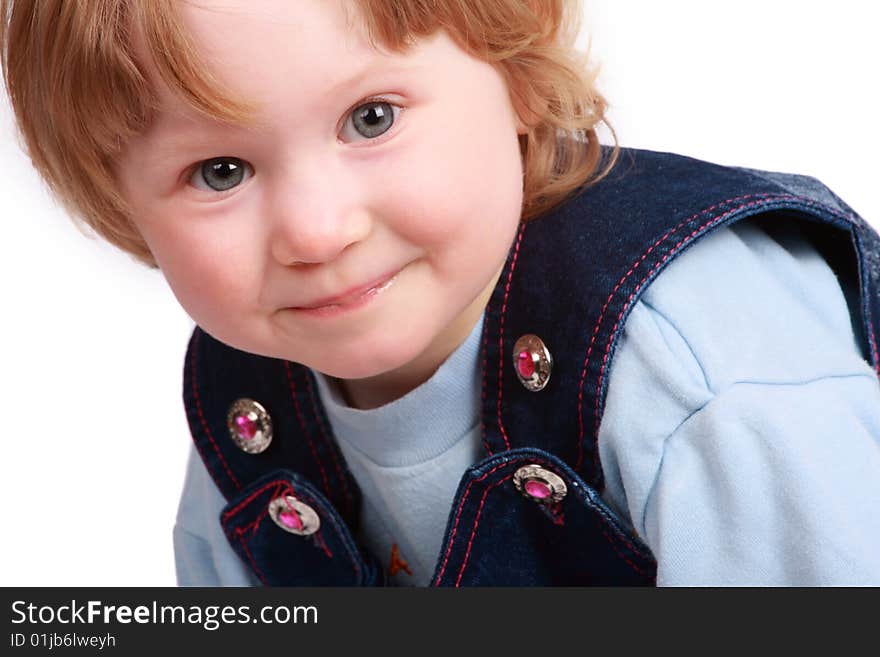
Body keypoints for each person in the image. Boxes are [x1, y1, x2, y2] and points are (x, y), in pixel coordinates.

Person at [2, 0, 878, 586]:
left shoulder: (696, 357)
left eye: (371, 118)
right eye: (219, 171)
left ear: (518, 77)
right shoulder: (253, 416)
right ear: (122, 206)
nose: (317, 231)